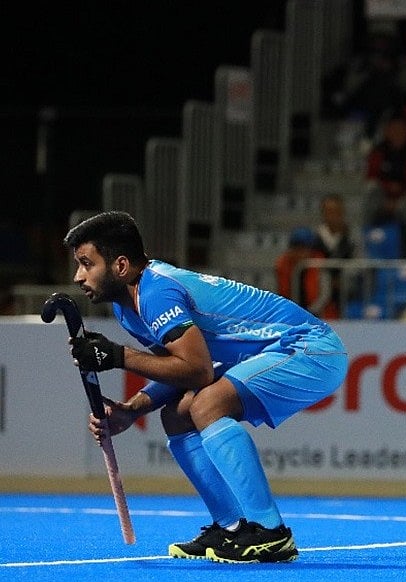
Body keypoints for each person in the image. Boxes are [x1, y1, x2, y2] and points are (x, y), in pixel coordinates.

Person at [65, 211, 347, 563]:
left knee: (206, 405)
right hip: (269, 352)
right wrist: (131, 409)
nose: (78, 276)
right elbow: (180, 370)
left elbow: (197, 372)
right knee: (178, 415)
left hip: (311, 347)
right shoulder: (128, 307)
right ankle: (231, 526)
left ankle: (270, 533)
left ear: (120, 265)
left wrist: (119, 356)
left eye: (86, 264)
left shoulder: (157, 292)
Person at [274, 226, 335, 318]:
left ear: (311, 250)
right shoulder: (283, 265)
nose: (299, 253)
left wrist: (310, 312)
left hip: (319, 315)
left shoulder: (319, 265)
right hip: (291, 314)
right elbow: (279, 293)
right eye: (296, 248)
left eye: (303, 249)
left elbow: (325, 295)